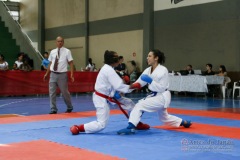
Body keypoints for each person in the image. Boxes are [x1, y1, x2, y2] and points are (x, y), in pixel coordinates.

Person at [69, 50, 149, 135]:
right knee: (101, 124)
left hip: (110, 96)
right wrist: (133, 86)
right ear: (113, 60)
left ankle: (135, 123)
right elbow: (119, 86)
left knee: (130, 104)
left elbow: (114, 85)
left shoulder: (109, 68)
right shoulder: (108, 70)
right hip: (101, 98)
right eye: (117, 58)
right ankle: (79, 127)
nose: (118, 60)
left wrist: (122, 85)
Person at [117, 49, 192, 135]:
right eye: (147, 56)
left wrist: (150, 81)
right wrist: (124, 89)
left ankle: (131, 127)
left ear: (156, 58)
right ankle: (184, 122)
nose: (147, 58)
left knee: (139, 105)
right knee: (164, 118)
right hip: (155, 96)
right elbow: (138, 83)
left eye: (149, 56)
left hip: (162, 96)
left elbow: (161, 88)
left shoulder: (163, 70)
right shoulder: (148, 70)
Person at [43, 36, 75, 114]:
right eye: (58, 41)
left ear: (63, 42)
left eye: (61, 41)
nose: (60, 42)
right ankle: (53, 109)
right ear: (56, 42)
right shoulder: (53, 52)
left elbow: (71, 63)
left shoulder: (67, 51)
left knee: (65, 92)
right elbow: (50, 63)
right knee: (52, 92)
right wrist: (47, 74)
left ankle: (69, 106)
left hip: (62, 75)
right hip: (53, 74)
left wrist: (72, 74)